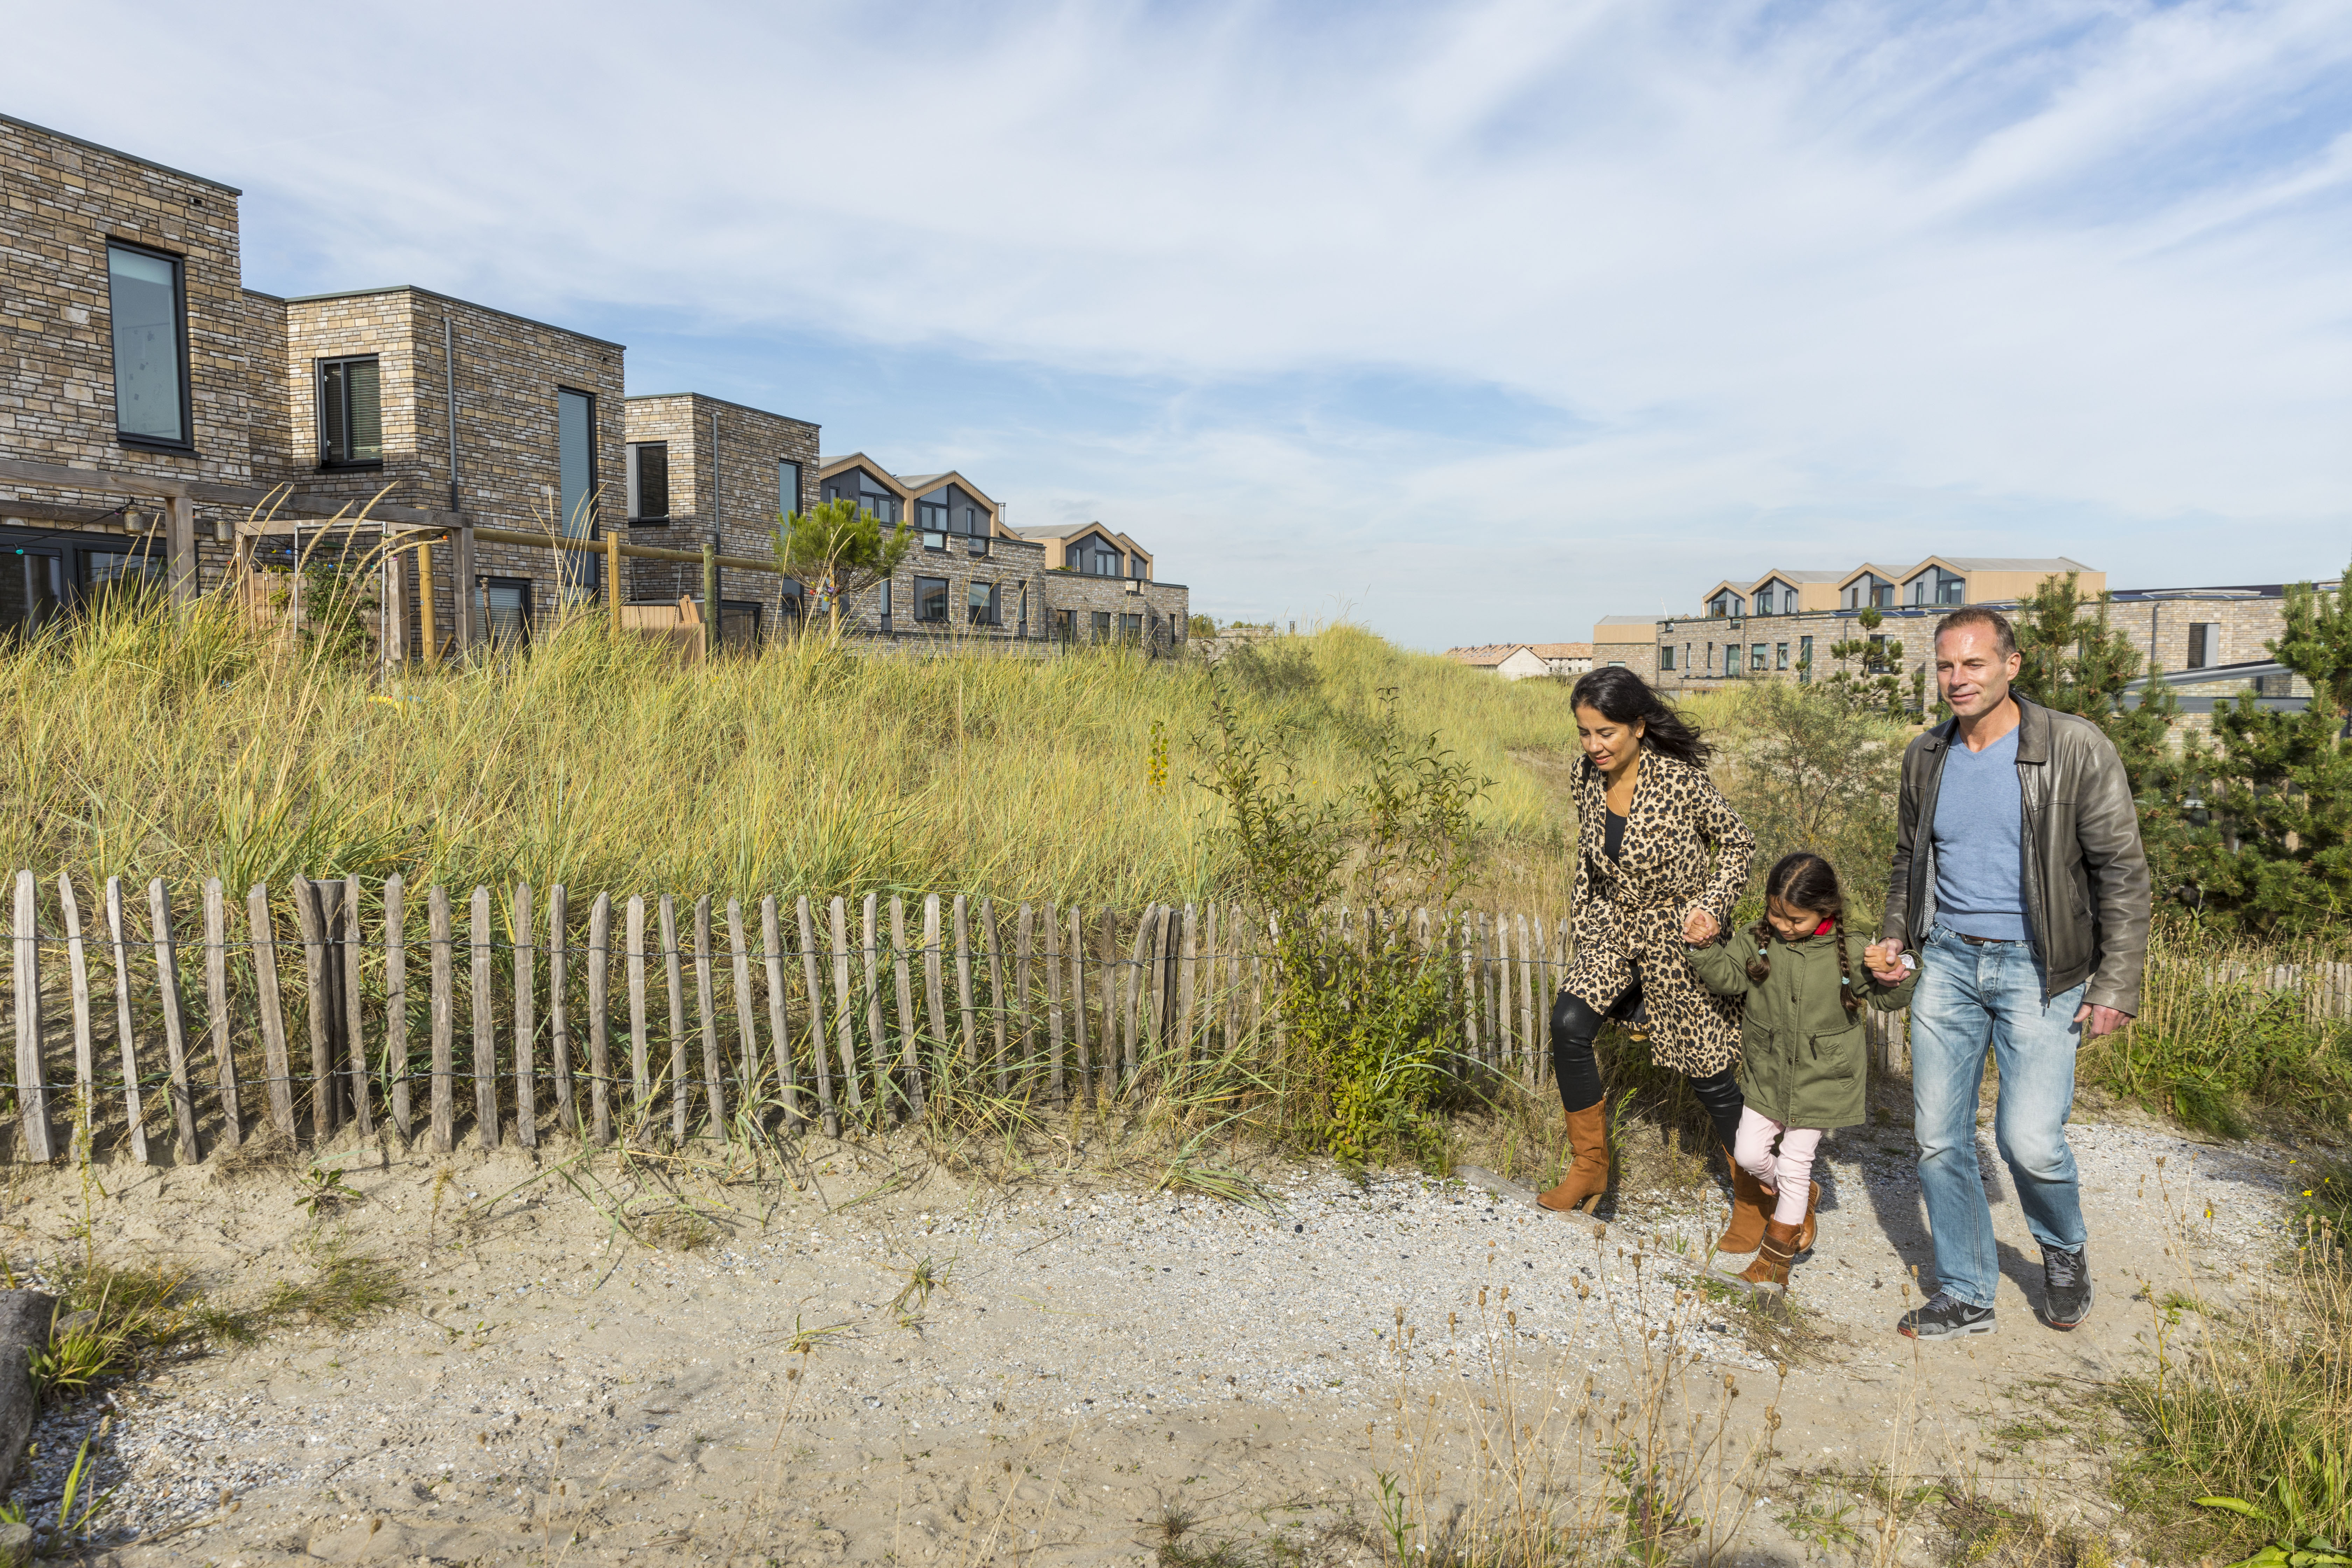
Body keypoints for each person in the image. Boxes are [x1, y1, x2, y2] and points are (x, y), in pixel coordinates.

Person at [1865, 605, 2150, 1340]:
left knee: (2029, 1140)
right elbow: (1909, 861)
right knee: (1938, 1137)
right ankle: (1966, 1290)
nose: (1957, 679)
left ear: (2011, 665)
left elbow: (2121, 870)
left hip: (2041, 970)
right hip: (1950, 964)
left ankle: (2062, 1247)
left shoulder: (2074, 746)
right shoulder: (1926, 755)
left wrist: (2116, 984)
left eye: (1974, 664)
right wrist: (1898, 934)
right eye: (1946, 665)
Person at [1542, 667, 1758, 1243]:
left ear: (1638, 727)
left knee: (1708, 1070)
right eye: (1585, 733)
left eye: (1606, 733)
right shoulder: (1584, 776)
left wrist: (1712, 906)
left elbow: (1739, 840)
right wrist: (1588, 925)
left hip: (1678, 933)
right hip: (1613, 925)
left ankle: (1758, 1196)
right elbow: (1592, 857)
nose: (1594, 746)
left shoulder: (1681, 782)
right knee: (1568, 1021)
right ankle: (1590, 1167)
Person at [1682, 853, 1915, 1291]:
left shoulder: (1851, 947)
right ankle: (1801, 1196)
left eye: (1796, 919)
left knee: (1794, 1163)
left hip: (1823, 1076)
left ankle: (1774, 1266)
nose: (1785, 925)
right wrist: (1703, 948)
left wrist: (1897, 972)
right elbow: (1730, 979)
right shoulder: (1760, 938)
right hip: (1767, 1069)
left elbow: (1886, 1000)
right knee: (1750, 1154)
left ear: (1825, 910)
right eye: (1777, 914)